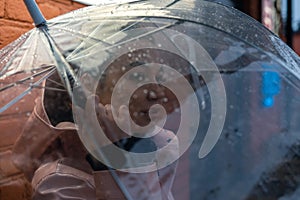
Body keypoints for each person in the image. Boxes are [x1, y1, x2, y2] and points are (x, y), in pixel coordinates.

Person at [11, 46, 199, 199]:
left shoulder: (163, 142)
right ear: (88, 87)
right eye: (137, 76)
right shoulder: (58, 182)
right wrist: (112, 159)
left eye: (157, 78)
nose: (157, 92)